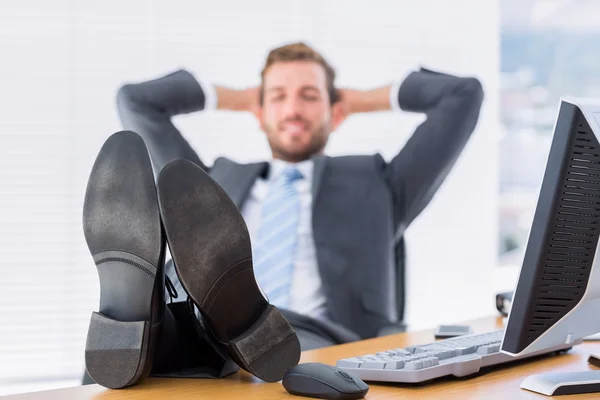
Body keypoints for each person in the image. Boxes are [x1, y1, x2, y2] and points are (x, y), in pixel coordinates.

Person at [116, 42, 484, 352]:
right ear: (259, 113)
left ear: (335, 111)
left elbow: (462, 94)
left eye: (309, 96)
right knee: (135, 349)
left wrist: (359, 101)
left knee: (280, 337)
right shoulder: (211, 184)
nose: (292, 110)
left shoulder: (380, 185)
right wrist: (242, 99)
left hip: (328, 349)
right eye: (278, 98)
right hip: (216, 348)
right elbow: (137, 102)